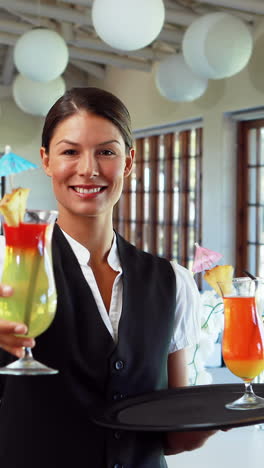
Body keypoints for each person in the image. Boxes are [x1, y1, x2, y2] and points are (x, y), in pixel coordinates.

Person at [0, 87, 215, 467]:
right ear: (46, 161)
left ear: (129, 162)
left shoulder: (173, 282)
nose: (89, 169)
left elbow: (172, 436)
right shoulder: (8, 263)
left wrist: (213, 419)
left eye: (106, 151)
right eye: (70, 151)